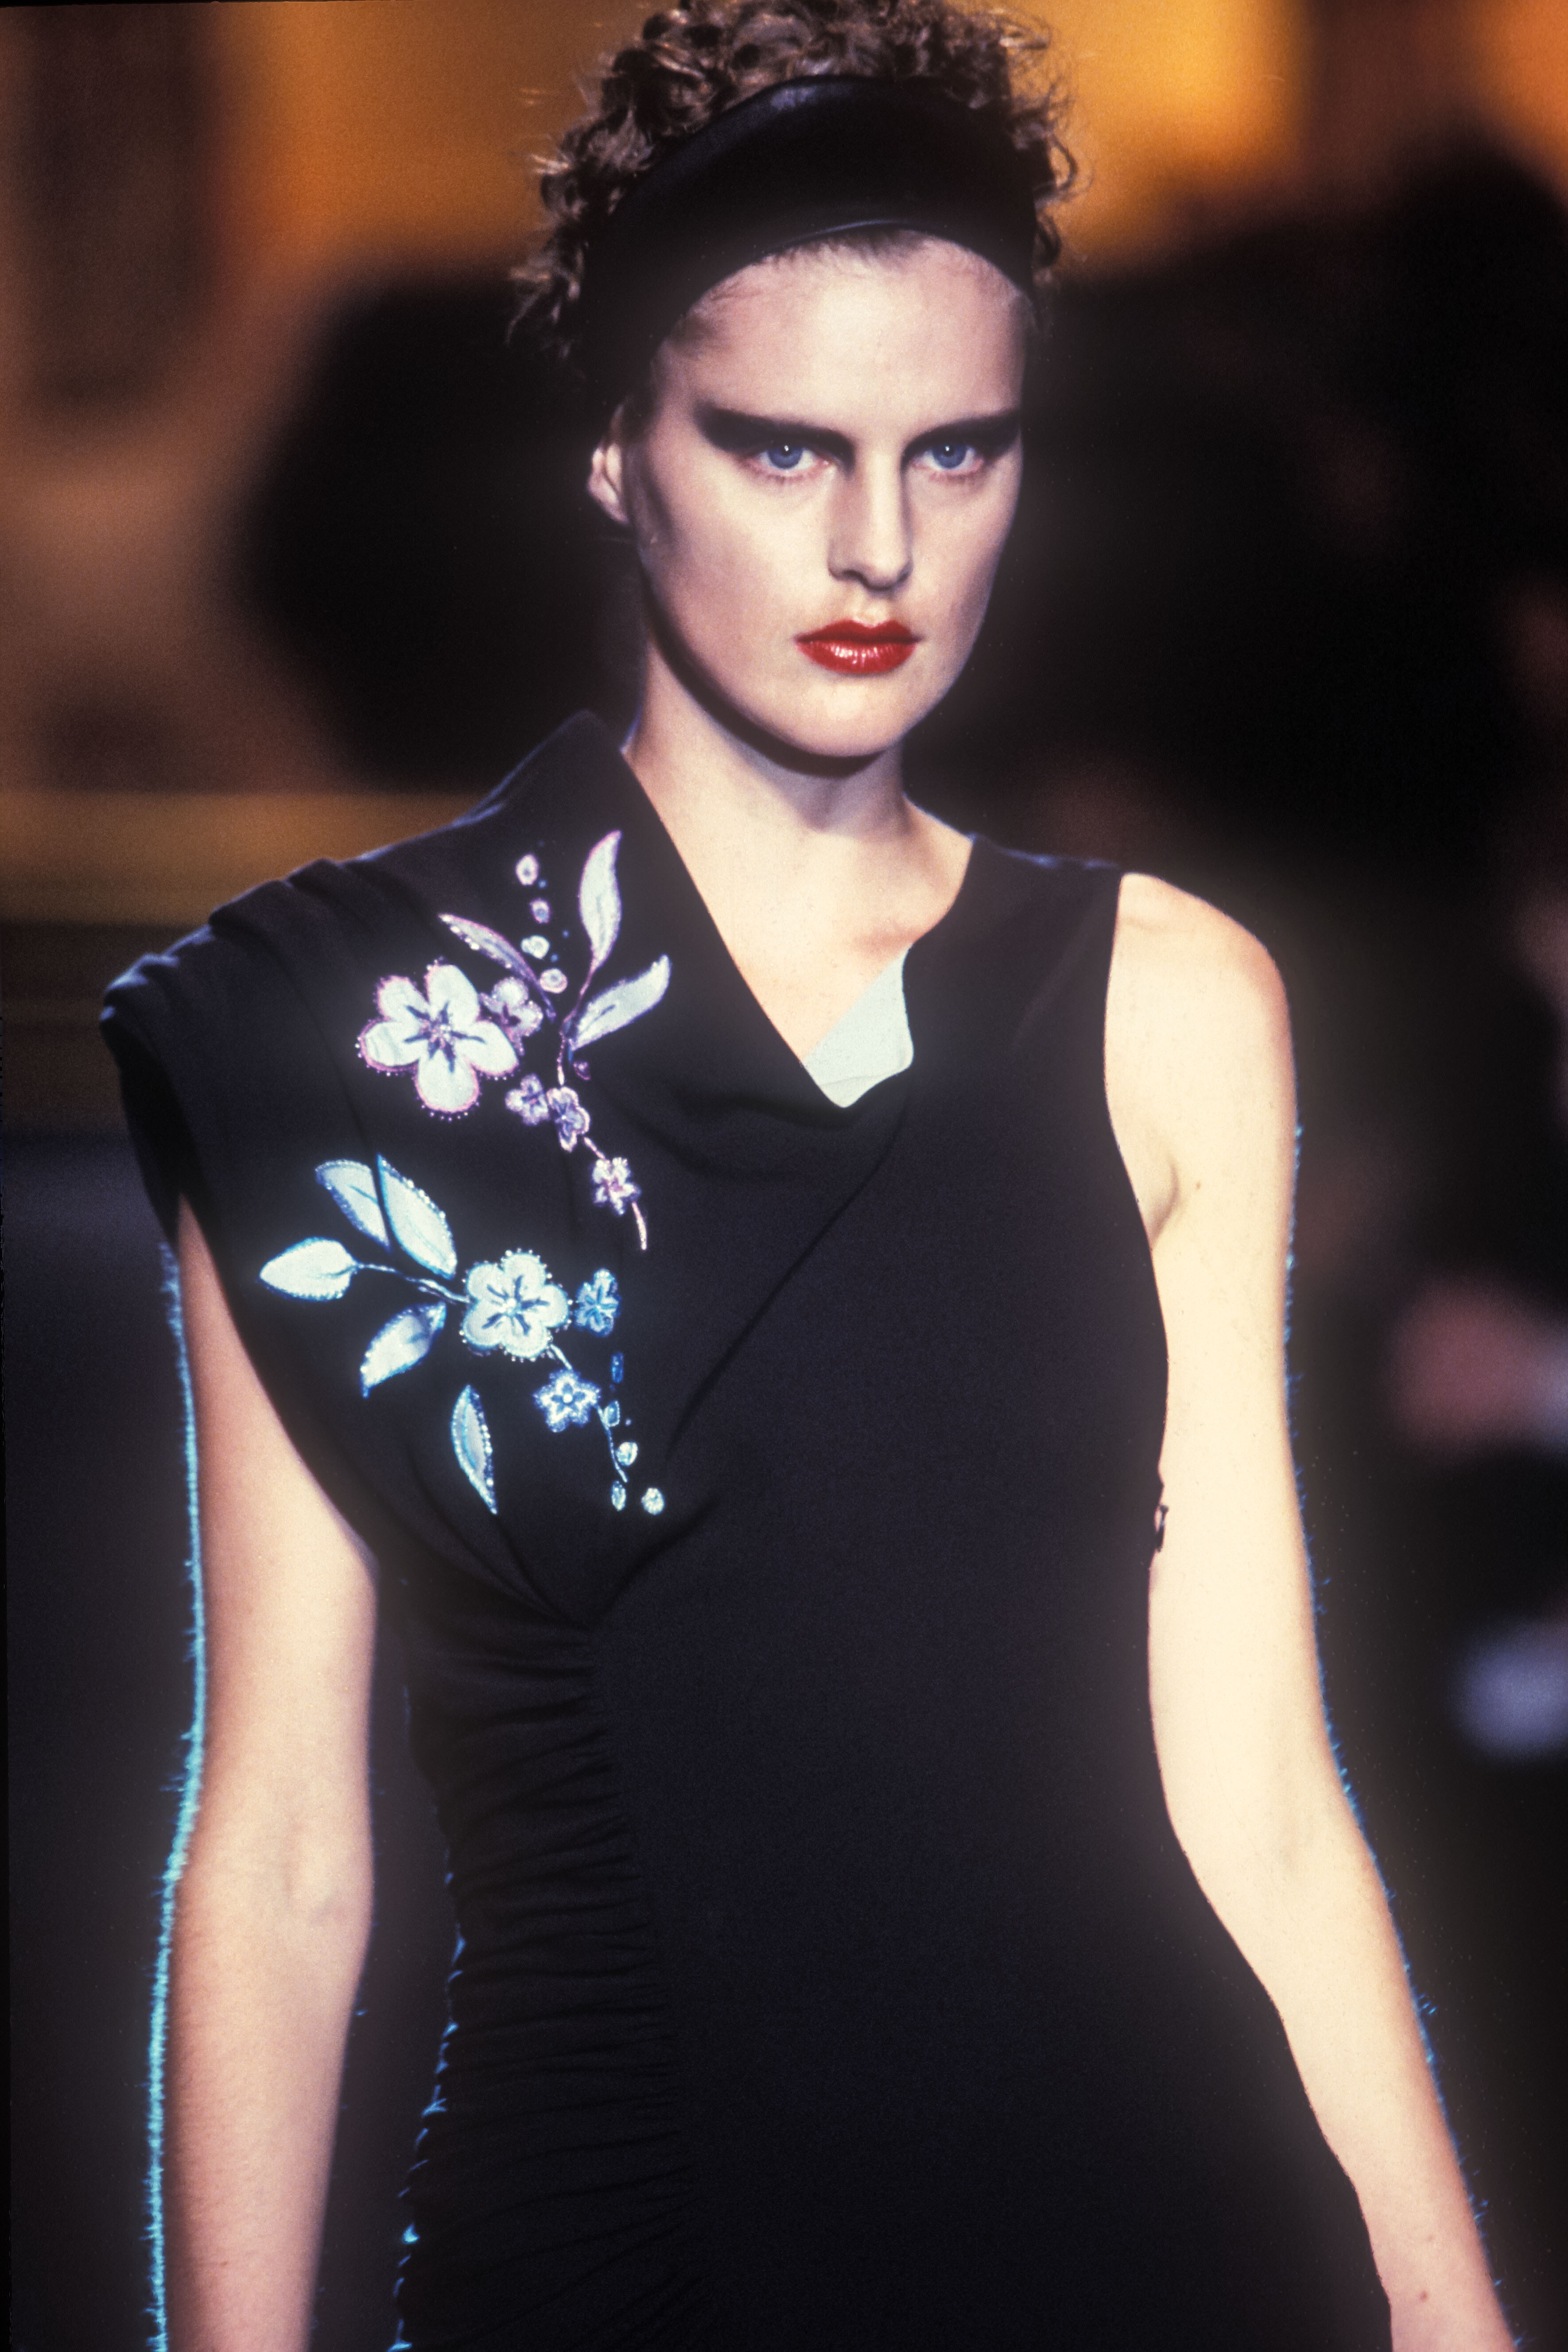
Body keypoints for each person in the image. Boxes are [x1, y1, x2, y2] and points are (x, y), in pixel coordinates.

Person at [103, 4, 1518, 2346]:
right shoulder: (334, 1029)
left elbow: (1261, 1798)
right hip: (618, 2260)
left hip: (1165, 2252)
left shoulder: (1170, 1004)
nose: (881, 546)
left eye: (957, 451)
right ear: (611, 447)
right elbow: (276, 1850)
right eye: (781, 447)